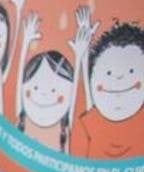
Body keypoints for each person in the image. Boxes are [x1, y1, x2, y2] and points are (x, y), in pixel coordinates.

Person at [14, 8, 94, 153]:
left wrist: (81, 56)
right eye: (35, 88)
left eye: (54, 91)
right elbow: (19, 80)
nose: (44, 95)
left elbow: (74, 98)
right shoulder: (22, 119)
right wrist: (25, 42)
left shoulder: (64, 127)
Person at [72, 19, 144, 158]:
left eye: (131, 71)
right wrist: (82, 56)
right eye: (108, 73)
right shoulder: (89, 122)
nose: (119, 78)